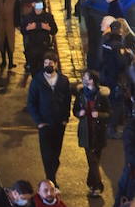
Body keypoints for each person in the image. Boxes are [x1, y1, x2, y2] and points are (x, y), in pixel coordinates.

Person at [27, 52, 72, 184]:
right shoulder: (37, 81)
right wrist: (39, 121)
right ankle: (51, 180)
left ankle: (51, 175)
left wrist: (65, 118)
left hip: (59, 124)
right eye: (46, 63)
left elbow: (67, 100)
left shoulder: (63, 80)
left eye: (51, 63)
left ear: (56, 65)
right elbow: (31, 102)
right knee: (47, 155)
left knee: (55, 154)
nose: (48, 65)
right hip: (44, 124)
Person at [74, 69, 110, 197]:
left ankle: (91, 184)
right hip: (86, 131)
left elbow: (109, 114)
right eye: (84, 78)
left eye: (87, 78)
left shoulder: (102, 95)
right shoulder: (81, 94)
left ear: (93, 80)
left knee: (95, 161)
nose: (85, 80)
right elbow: (75, 110)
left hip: (99, 133)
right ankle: (98, 186)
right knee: (93, 161)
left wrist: (99, 114)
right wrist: (79, 113)